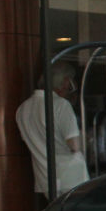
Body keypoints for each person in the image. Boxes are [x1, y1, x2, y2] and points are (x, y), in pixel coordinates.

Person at [15, 61, 90, 201]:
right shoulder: (61, 105)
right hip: (72, 180)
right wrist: (87, 138)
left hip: (45, 180)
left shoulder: (22, 109)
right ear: (65, 82)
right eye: (70, 84)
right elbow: (74, 145)